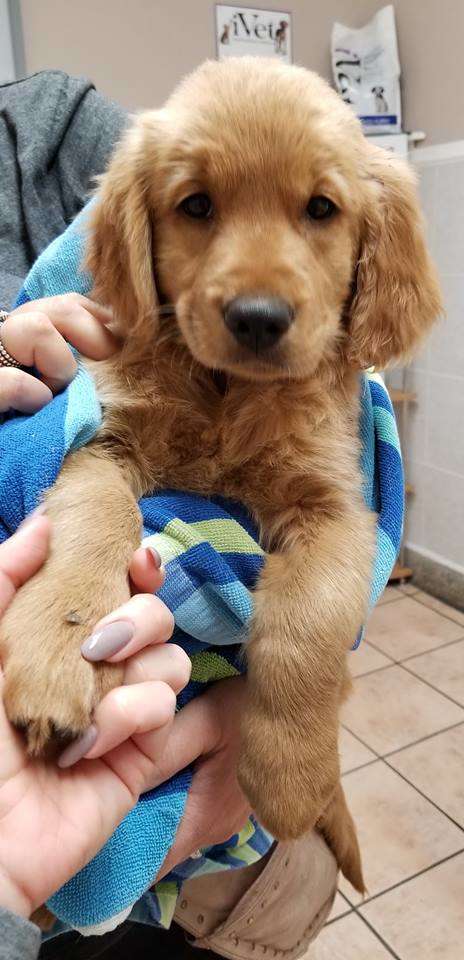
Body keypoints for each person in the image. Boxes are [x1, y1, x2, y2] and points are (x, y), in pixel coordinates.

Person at [0, 73, 338, 959]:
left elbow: (337, 522)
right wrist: (77, 579)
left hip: (210, 815)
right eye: (199, 206)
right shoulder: (140, 336)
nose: (259, 291)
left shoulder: (50, 121)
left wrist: (291, 703)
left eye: (318, 209)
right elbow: (100, 452)